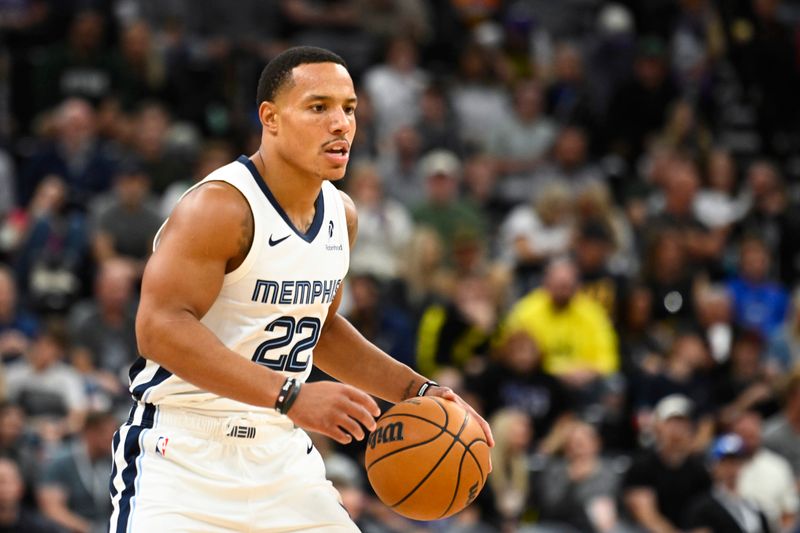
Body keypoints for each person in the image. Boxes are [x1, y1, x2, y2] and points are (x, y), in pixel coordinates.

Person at [109, 46, 493, 532]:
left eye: (349, 108)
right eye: (319, 107)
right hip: (183, 456)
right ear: (270, 118)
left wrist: (420, 389)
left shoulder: (341, 216)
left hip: (281, 456)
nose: (341, 124)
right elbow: (159, 329)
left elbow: (322, 328)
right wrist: (291, 395)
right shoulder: (221, 208)